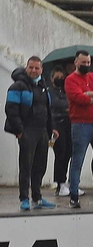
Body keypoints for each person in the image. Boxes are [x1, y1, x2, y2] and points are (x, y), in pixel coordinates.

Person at [7, 56, 58, 211]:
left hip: (42, 131)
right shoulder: (17, 86)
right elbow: (11, 110)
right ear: (26, 68)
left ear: (42, 70)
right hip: (27, 131)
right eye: (31, 67)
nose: (34, 70)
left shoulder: (44, 86)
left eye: (37, 68)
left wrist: (52, 128)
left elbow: (49, 110)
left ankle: (37, 198)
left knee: (40, 166)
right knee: (26, 166)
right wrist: (19, 131)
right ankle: (24, 198)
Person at [64, 50, 93, 209]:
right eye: (83, 62)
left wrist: (90, 93)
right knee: (78, 160)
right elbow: (79, 99)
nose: (86, 65)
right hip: (80, 125)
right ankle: (74, 196)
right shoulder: (70, 80)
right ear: (76, 62)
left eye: (88, 63)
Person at [48, 68, 71, 198]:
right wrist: (67, 105)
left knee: (68, 152)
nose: (60, 79)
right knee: (60, 153)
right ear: (52, 78)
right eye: (58, 76)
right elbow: (56, 103)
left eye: (62, 76)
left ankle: (65, 181)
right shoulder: (50, 91)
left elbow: (70, 102)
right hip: (56, 125)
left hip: (68, 124)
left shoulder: (64, 90)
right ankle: (60, 183)